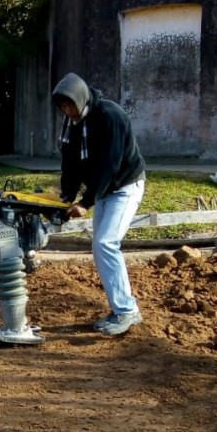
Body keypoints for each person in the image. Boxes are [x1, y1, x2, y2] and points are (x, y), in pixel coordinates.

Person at [52, 72, 146, 336]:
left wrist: (86, 201)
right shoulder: (72, 123)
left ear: (80, 99)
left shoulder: (110, 116)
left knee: (106, 242)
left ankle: (126, 311)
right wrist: (66, 197)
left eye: (69, 104)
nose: (66, 110)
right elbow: (69, 162)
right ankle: (121, 308)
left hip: (125, 185)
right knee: (100, 246)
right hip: (104, 190)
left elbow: (110, 164)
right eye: (62, 106)